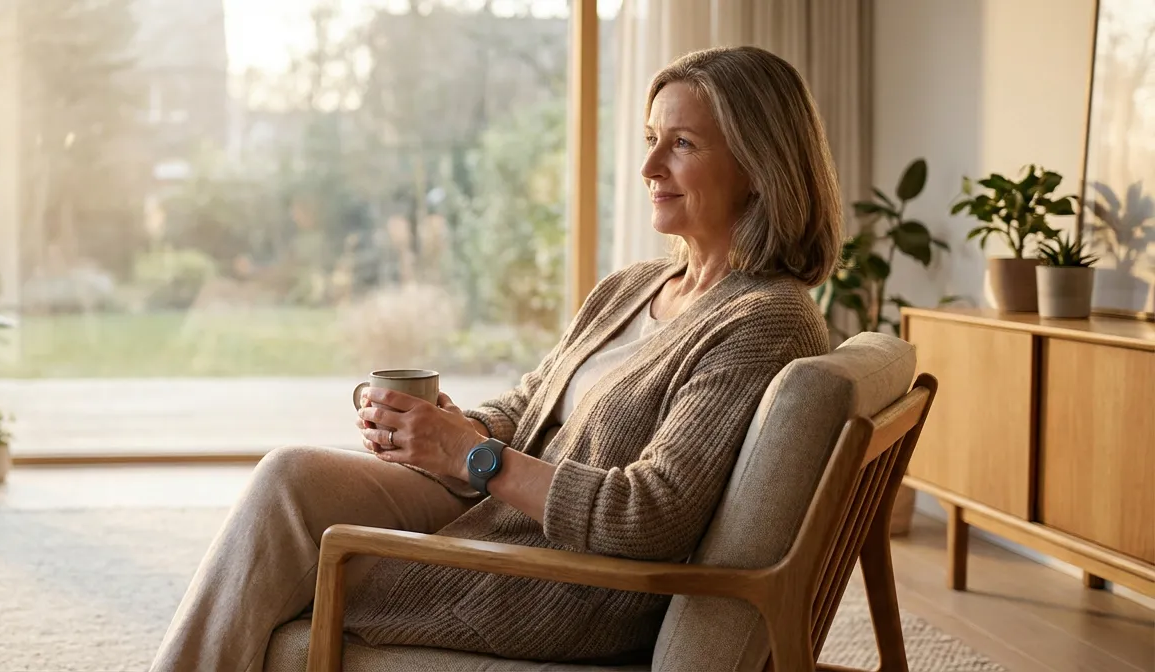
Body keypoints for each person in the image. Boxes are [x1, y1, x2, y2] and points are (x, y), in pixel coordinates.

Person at [150, 44, 842, 671]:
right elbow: (528, 406)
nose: (648, 168)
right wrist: (449, 428)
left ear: (758, 165)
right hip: (502, 521)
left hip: (562, 582)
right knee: (289, 476)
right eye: (650, 140)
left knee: (269, 575)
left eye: (682, 144)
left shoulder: (763, 322)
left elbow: (647, 515)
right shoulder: (636, 286)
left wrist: (476, 459)